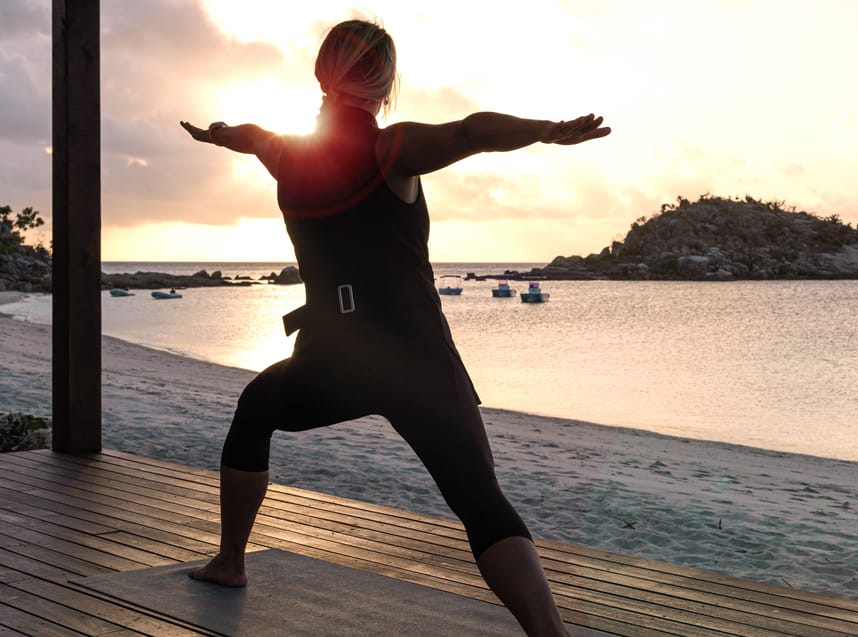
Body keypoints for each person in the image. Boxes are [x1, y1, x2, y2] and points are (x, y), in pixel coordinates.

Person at [179, 18, 609, 637]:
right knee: (478, 499)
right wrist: (543, 132)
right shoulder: (390, 149)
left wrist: (216, 134)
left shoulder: (287, 153)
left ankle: (229, 563)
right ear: (386, 85)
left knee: (256, 409)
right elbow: (472, 131)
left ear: (322, 75)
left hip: (332, 356)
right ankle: (550, 633)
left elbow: (252, 136)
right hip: (416, 358)